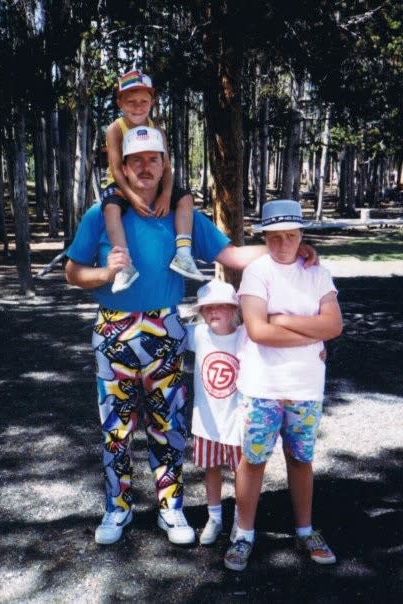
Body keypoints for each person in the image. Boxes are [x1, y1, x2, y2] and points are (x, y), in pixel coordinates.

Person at [65, 128, 318, 547]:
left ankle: (171, 507)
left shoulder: (180, 216)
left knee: (168, 424)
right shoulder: (101, 215)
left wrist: (284, 249)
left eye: (154, 160)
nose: (145, 168)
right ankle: (118, 507)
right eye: (136, 161)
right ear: (124, 168)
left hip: (165, 325)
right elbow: (73, 272)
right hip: (113, 327)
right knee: (116, 427)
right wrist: (106, 273)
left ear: (165, 165)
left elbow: (232, 256)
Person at [223, 199, 343, 571]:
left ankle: (306, 529)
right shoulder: (257, 273)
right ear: (265, 236)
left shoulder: (317, 273)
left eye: (291, 235)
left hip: (305, 387)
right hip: (263, 385)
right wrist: (312, 334)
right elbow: (258, 330)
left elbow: (334, 326)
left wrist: (283, 318)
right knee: (254, 459)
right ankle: (243, 532)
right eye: (275, 236)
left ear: (301, 235)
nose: (283, 243)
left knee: (301, 458)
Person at [102, 68, 207, 293]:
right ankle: (124, 265)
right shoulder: (114, 129)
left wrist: (167, 195)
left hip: (153, 182)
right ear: (120, 102)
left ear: (153, 102)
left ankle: (183, 253)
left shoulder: (157, 129)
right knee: (111, 209)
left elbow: (166, 167)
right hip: (121, 183)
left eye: (143, 101)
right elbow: (116, 168)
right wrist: (131, 197)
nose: (138, 107)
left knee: (186, 198)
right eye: (131, 102)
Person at [185, 279, 243, 545]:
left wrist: (317, 349)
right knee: (211, 468)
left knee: (241, 470)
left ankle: (243, 519)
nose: (214, 312)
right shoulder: (197, 334)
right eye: (207, 308)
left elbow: (278, 344)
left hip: (238, 420)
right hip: (206, 420)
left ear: (234, 310)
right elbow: (164, 333)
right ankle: (215, 517)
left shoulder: (246, 336)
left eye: (221, 306)